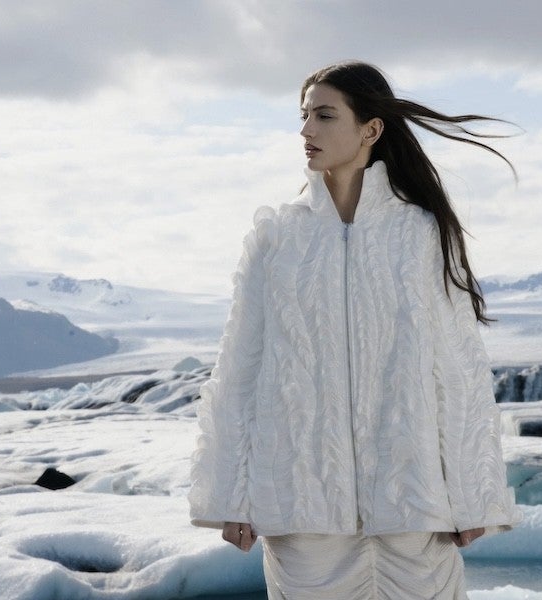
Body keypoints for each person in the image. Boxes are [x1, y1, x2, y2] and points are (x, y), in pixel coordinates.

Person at [189, 61, 522, 600]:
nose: (306, 132)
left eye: (324, 116)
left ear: (371, 129)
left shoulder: (420, 232)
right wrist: (229, 495)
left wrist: (473, 496)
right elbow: (239, 370)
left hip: (413, 511)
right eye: (303, 118)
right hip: (304, 514)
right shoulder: (277, 239)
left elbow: (456, 367)